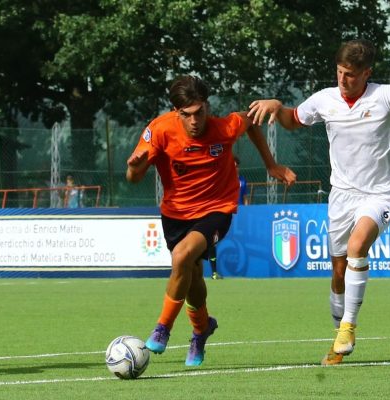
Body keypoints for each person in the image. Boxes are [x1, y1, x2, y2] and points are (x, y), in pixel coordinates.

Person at [248, 39, 390, 366]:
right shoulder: (324, 100)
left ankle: (349, 328)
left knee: (358, 246)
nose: (343, 80)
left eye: (351, 75)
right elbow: (291, 120)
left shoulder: (385, 95)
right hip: (341, 197)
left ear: (366, 73)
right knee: (338, 273)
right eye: (340, 72)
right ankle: (338, 333)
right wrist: (276, 105)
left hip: (380, 194)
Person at [126, 75, 296, 366]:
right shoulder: (159, 130)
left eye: (199, 112)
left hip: (216, 209)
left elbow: (252, 122)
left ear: (207, 105)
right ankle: (201, 329)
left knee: (182, 256)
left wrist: (271, 164)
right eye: (186, 115)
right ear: (175, 111)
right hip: (175, 214)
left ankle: (162, 328)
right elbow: (133, 177)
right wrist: (135, 168)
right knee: (190, 274)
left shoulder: (225, 127)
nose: (194, 121)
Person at [208, 155, 248, 279]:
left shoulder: (242, 181)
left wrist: (246, 209)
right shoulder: (222, 180)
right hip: (220, 215)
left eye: (237, 167)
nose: (236, 169)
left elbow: (245, 199)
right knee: (211, 242)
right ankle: (214, 272)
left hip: (235, 214)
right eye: (233, 166)